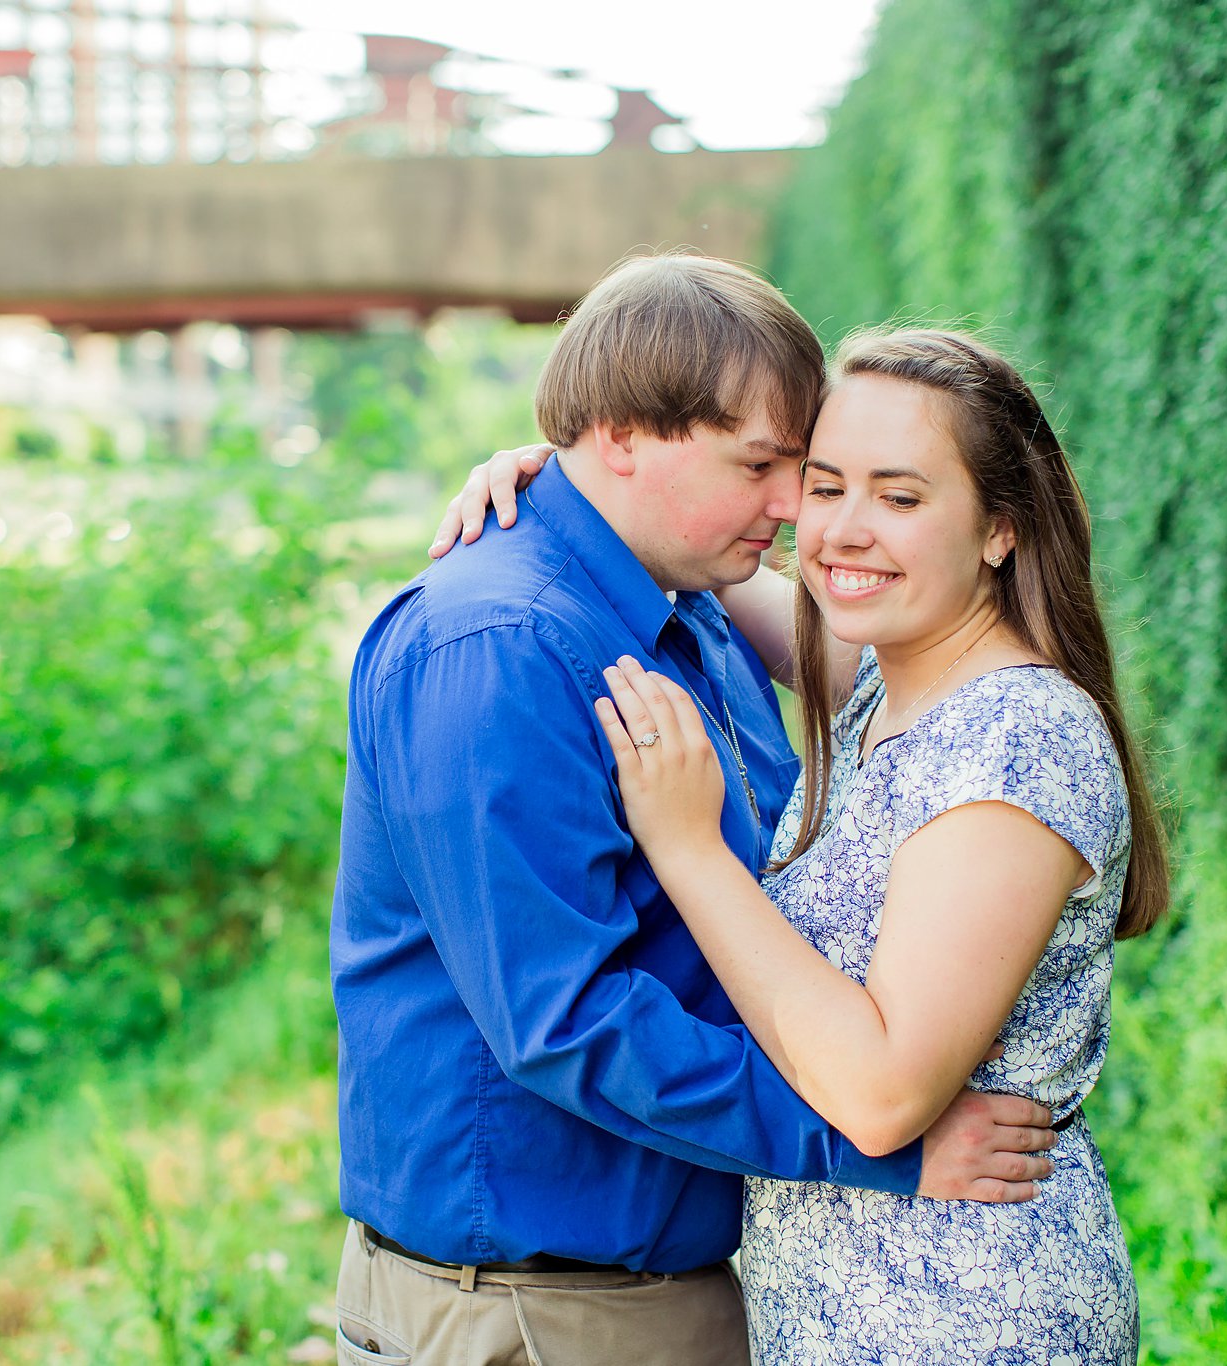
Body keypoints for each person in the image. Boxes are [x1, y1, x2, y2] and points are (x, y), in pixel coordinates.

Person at [333, 255, 1062, 1366]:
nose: (793, 510)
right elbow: (564, 1019)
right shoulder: (499, 648)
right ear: (621, 435)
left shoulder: (688, 607)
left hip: (657, 1292)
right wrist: (874, 1145)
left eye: (801, 469)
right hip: (536, 1311)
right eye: (763, 466)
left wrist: (560, 479)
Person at [442, 327, 1167, 1363]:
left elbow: (879, 1094)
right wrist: (567, 486)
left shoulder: (1015, 741)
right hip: (850, 1305)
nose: (839, 530)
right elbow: (700, 560)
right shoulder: (894, 681)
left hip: (959, 1317)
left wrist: (690, 849)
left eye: (900, 497)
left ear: (999, 527)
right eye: (822, 486)